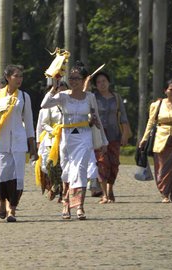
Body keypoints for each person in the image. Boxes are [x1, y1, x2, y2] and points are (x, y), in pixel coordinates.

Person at [41, 62, 108, 220]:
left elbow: (96, 118)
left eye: (77, 78)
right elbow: (44, 104)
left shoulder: (90, 97)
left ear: (84, 79)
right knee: (67, 171)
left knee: (80, 170)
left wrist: (103, 140)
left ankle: (79, 206)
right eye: (71, 78)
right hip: (67, 136)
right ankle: (66, 203)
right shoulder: (63, 96)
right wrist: (54, 86)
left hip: (84, 137)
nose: (73, 81)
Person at [0, 64, 36, 222]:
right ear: (7, 77)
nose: (19, 79)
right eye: (16, 76)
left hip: (18, 143)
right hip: (0, 142)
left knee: (17, 178)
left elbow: (29, 123)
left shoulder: (24, 97)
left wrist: (33, 147)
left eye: (21, 76)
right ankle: (1, 202)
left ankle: (13, 209)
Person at [92, 71, 130, 203]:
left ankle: (110, 188)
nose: (102, 84)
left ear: (108, 82)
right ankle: (104, 194)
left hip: (115, 135)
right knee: (102, 163)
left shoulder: (117, 98)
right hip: (99, 135)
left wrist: (125, 134)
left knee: (114, 164)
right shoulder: (93, 98)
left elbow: (123, 117)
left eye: (104, 81)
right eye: (98, 82)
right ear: (95, 85)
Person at [35, 81, 67, 202]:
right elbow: (43, 123)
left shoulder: (70, 104)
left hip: (67, 138)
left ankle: (63, 193)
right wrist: (54, 131)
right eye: (60, 90)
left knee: (64, 167)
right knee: (51, 165)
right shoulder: (50, 106)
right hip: (52, 139)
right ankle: (56, 185)